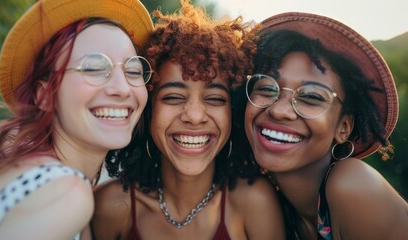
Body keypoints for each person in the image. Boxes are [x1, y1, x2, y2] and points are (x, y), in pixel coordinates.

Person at [91, 1, 286, 239]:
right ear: (148, 110)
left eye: (215, 99)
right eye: (173, 97)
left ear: (233, 112)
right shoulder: (109, 206)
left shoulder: (255, 201)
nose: (194, 117)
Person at [0, 0, 153, 239]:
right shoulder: (66, 194)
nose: (122, 89)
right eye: (93, 68)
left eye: (133, 70)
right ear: (45, 95)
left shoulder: (26, 169)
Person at [234, 12, 408, 240]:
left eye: (311, 97)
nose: (279, 110)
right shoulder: (268, 204)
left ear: (343, 127)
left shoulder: (353, 186)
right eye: (267, 88)